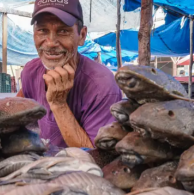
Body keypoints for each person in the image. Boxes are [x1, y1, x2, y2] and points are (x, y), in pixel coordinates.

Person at [17, 0, 122, 148]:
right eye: (42, 30)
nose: (50, 42)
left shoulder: (102, 84)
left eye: (63, 31)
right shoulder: (30, 71)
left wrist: (58, 104)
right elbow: (17, 115)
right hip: (42, 164)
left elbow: (97, 156)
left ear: (82, 35)